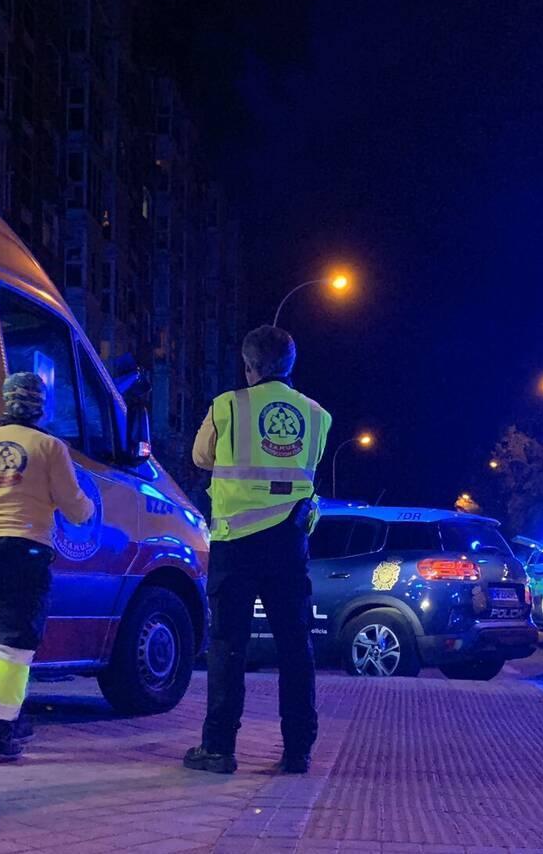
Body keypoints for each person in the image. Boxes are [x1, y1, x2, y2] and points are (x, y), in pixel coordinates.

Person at [184, 325, 330, 775]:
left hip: (235, 544)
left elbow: (200, 458)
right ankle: (297, 751)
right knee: (295, 646)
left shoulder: (227, 406)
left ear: (249, 366)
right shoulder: (315, 415)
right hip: (289, 542)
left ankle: (219, 748)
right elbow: (312, 460)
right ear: (289, 366)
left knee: (229, 645)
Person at [0, 372, 94, 766]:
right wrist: (86, 508)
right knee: (15, 639)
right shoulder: (49, 446)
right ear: (41, 407)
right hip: (21, 547)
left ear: (5, 403)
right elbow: (74, 506)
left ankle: (11, 717)